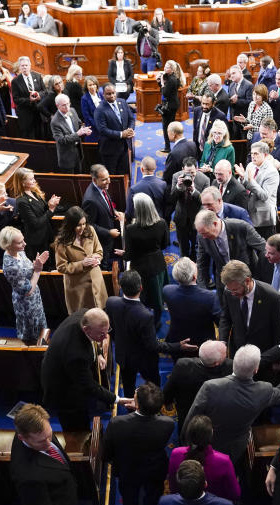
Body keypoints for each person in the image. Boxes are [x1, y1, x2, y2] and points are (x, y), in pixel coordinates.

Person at [8, 403, 77, 505]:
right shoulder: (28, 475)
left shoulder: (34, 429)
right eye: (41, 441)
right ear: (22, 437)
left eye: (49, 435)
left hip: (60, 495)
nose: (48, 442)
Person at [103, 382, 174, 505]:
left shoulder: (117, 423)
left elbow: (107, 453)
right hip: (155, 469)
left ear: (137, 404)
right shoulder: (168, 423)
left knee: (129, 501)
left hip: (127, 470)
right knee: (153, 498)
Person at [218, 259, 280, 356]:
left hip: (263, 354)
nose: (232, 293)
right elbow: (226, 318)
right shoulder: (228, 292)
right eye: (230, 290)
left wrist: (279, 358)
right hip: (238, 352)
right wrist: (222, 342)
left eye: (235, 289)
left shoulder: (272, 297)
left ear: (247, 280)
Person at [168, 414, 240, 502]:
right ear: (211, 435)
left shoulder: (176, 454)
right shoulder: (224, 461)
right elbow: (235, 495)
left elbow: (173, 488)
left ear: (188, 434)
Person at [194, 209, 266, 292]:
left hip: (247, 282)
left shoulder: (241, 227)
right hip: (223, 285)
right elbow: (202, 264)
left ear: (215, 224)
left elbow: (263, 248)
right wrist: (202, 288)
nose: (204, 237)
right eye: (201, 233)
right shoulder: (202, 236)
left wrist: (263, 275)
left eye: (205, 233)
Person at [123, 193, 168, 324]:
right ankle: (157, 321)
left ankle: (142, 321)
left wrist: (123, 254)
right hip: (158, 265)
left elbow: (129, 255)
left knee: (142, 297)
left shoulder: (131, 229)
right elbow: (165, 245)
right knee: (158, 296)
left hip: (140, 269)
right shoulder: (162, 223)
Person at [54, 206, 107, 313]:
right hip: (77, 287)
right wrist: (82, 264)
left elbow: (99, 250)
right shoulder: (61, 241)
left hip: (96, 281)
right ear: (70, 225)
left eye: (84, 223)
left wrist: (98, 258)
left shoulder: (90, 230)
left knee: (100, 314)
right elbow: (61, 267)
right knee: (83, 318)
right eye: (78, 225)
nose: (82, 227)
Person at [0, 226, 47, 343]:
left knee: (41, 328)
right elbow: (27, 291)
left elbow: (26, 271)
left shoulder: (19, 251)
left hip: (35, 298)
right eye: (20, 242)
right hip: (26, 305)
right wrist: (37, 270)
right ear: (8, 244)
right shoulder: (11, 266)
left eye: (23, 240)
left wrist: (34, 264)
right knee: (32, 335)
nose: (24, 244)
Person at [163, 258, 221, 352]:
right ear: (195, 277)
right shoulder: (211, 297)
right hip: (203, 346)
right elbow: (220, 322)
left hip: (177, 343)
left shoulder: (167, 291)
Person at [12, 168, 57, 267]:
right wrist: (50, 210)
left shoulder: (35, 192)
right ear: (22, 182)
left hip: (46, 234)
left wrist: (50, 204)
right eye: (31, 179)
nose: (34, 181)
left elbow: (44, 212)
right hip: (37, 240)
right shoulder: (22, 201)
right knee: (43, 267)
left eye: (33, 178)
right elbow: (35, 223)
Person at [236, 140, 279, 237]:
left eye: (256, 153)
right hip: (249, 212)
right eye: (251, 153)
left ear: (265, 155)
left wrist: (250, 180)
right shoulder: (251, 165)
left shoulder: (272, 172)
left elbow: (264, 196)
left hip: (264, 218)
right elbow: (245, 186)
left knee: (265, 248)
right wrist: (242, 178)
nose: (253, 156)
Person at [94, 84, 134, 176]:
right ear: (103, 95)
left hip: (124, 146)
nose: (112, 96)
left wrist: (130, 130)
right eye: (108, 94)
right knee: (113, 176)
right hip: (110, 149)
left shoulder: (122, 102)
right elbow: (102, 130)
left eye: (113, 93)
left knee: (124, 173)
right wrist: (121, 134)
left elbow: (131, 118)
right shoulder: (99, 110)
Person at [50, 94, 92, 174]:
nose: (67, 107)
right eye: (64, 105)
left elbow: (79, 123)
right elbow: (61, 140)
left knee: (79, 174)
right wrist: (78, 134)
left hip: (78, 151)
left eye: (68, 103)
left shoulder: (72, 110)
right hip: (67, 156)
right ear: (57, 106)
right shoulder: (55, 122)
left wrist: (84, 129)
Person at [10, 57, 43, 139]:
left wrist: (39, 95)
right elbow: (16, 99)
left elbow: (44, 91)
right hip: (26, 115)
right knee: (30, 137)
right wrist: (29, 100)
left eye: (26, 65)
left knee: (41, 135)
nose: (24, 67)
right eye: (22, 66)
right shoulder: (15, 81)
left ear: (30, 66)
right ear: (19, 67)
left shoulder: (38, 76)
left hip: (39, 113)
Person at [81, 76, 101, 142]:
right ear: (86, 87)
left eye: (94, 84)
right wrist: (97, 125)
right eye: (90, 85)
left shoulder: (100, 94)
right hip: (93, 127)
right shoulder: (84, 98)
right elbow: (87, 116)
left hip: (103, 124)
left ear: (96, 85)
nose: (92, 87)